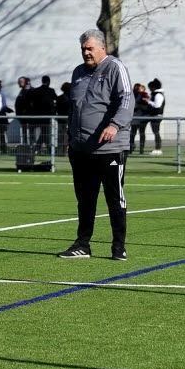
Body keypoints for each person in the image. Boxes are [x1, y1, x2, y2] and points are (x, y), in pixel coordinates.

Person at [58, 29, 133, 262]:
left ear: (103, 47)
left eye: (90, 48)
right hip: (81, 149)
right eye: (83, 49)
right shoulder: (78, 73)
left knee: (114, 198)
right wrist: (69, 137)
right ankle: (82, 244)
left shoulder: (115, 67)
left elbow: (127, 100)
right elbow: (74, 108)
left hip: (110, 147)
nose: (86, 53)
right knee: (85, 198)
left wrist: (114, 125)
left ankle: (118, 247)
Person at [145, 79, 165, 155]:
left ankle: (158, 149)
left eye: (150, 87)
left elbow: (157, 105)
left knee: (156, 132)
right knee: (155, 132)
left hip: (156, 116)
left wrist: (149, 102)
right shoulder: (156, 94)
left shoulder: (158, 95)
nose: (150, 89)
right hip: (154, 116)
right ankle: (157, 148)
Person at [131, 83, 152, 154]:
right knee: (134, 133)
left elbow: (147, 106)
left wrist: (138, 106)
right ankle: (133, 148)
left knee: (139, 133)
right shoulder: (134, 95)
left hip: (141, 118)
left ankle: (140, 149)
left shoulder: (143, 95)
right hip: (136, 117)